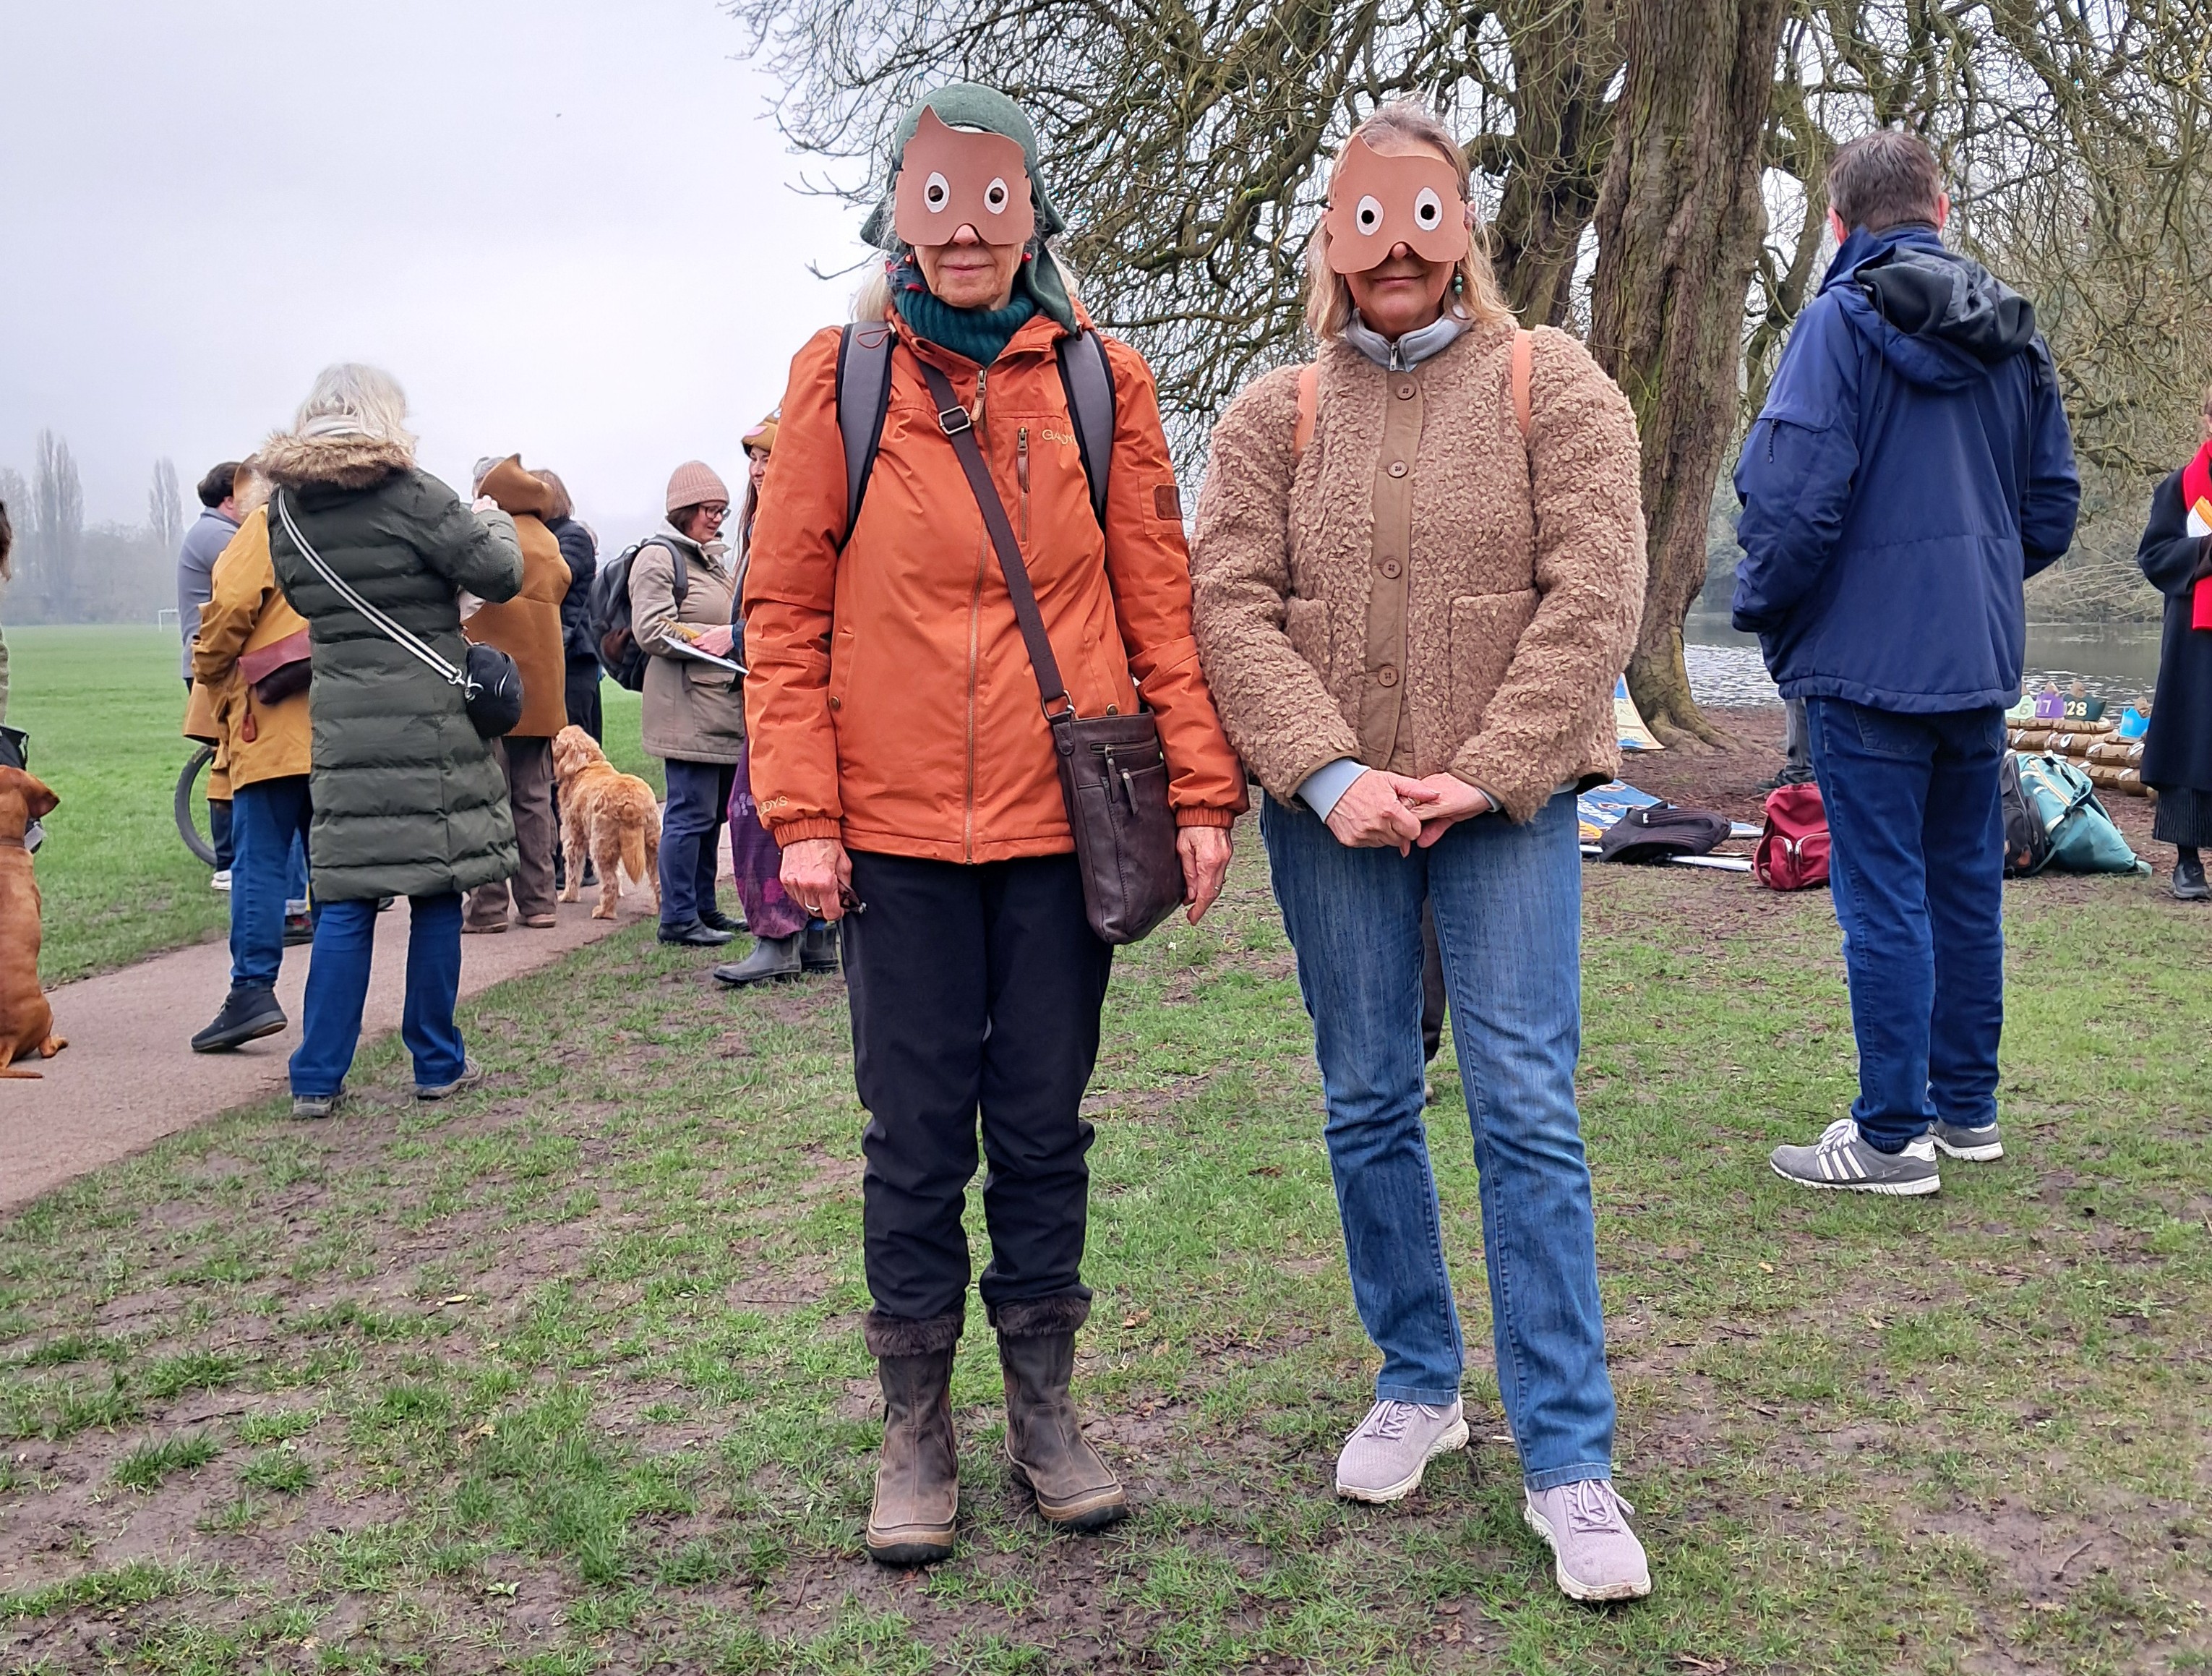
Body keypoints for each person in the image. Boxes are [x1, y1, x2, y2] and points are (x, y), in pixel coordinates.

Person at [745, 82, 1246, 1566]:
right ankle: (915, 1428)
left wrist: (1205, 789)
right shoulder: (838, 377)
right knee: (911, 1141)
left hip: (1053, 832)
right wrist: (805, 816)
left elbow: (1162, 592)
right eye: (937, 197)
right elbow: (782, 610)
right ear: (898, 208)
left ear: (1035, 208)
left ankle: (1046, 1411)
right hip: (889, 840)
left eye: (993, 197)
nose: (966, 230)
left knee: (1039, 1131)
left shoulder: (1104, 382)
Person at [1191, 101, 1651, 1602]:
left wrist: (1484, 772)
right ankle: (1417, 1374)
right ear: (1333, 238)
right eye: (1366, 221)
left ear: (1463, 232)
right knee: (1368, 1092)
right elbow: (1230, 605)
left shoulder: (1552, 384)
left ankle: (1571, 1458)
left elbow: (1594, 594)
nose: (1395, 252)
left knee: (1525, 1101)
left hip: (1502, 811)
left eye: (1423, 218)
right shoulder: (1273, 415)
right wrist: (1326, 774)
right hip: (1332, 820)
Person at [1735, 129, 2080, 1194]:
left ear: (1840, 224)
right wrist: (1972, 579)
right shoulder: (2016, 339)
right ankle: (1965, 1109)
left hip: (1865, 663)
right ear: (1941, 210)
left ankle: (1892, 1134)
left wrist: (1772, 612)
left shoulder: (1834, 325)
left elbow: (1791, 500)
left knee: (1884, 896)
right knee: (1965, 889)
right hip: (1974, 660)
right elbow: (2052, 508)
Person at [262, 364, 524, 1119]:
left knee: (346, 896)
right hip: (431, 722)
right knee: (438, 889)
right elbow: (500, 573)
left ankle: (317, 1073)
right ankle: (436, 1060)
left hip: (343, 722)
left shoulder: (286, 511)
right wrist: (492, 518)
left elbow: (301, 595)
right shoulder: (416, 492)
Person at [187, 460, 314, 1051]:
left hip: (274, 724)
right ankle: (334, 1006)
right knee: (339, 873)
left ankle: (252, 991)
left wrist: (208, 672)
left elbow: (228, 610)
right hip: (347, 723)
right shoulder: (343, 531)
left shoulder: (265, 527)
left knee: (258, 863)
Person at [715, 410, 836, 986]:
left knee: (758, 810)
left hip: (788, 687)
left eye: (769, 455)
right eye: (754, 459)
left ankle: (778, 935)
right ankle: (813, 937)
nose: (759, 468)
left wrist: (734, 638)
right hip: (777, 681)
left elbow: (795, 613)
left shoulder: (797, 520)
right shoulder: (764, 520)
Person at [634, 462, 747, 947]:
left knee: (711, 816)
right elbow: (652, 630)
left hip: (718, 708)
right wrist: (717, 638)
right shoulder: (659, 558)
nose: (716, 519)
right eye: (708, 510)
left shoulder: (711, 559)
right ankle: (677, 918)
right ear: (683, 510)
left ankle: (704, 908)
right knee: (687, 814)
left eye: (721, 511)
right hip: (685, 710)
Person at [461, 456, 570, 934]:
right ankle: (539, 900)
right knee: (533, 797)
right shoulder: (546, 539)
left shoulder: (486, 531)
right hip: (541, 691)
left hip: (489, 687)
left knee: (488, 796)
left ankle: (487, 906)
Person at [2135, 381, 2212, 902]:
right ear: (2207, 420)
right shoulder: (2182, 487)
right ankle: (2187, 864)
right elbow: (2155, 555)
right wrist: (2208, 550)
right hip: (2194, 644)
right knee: (2191, 740)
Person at [179, 461, 244, 885]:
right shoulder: (219, 537)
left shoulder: (214, 532)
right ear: (230, 500)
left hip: (214, 661)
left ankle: (231, 858)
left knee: (230, 757)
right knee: (227, 760)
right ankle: (227, 861)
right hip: (214, 665)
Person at [538, 469, 604, 743]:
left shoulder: (572, 536)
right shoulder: (551, 536)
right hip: (558, 656)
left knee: (576, 743)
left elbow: (551, 582)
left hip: (573, 658)